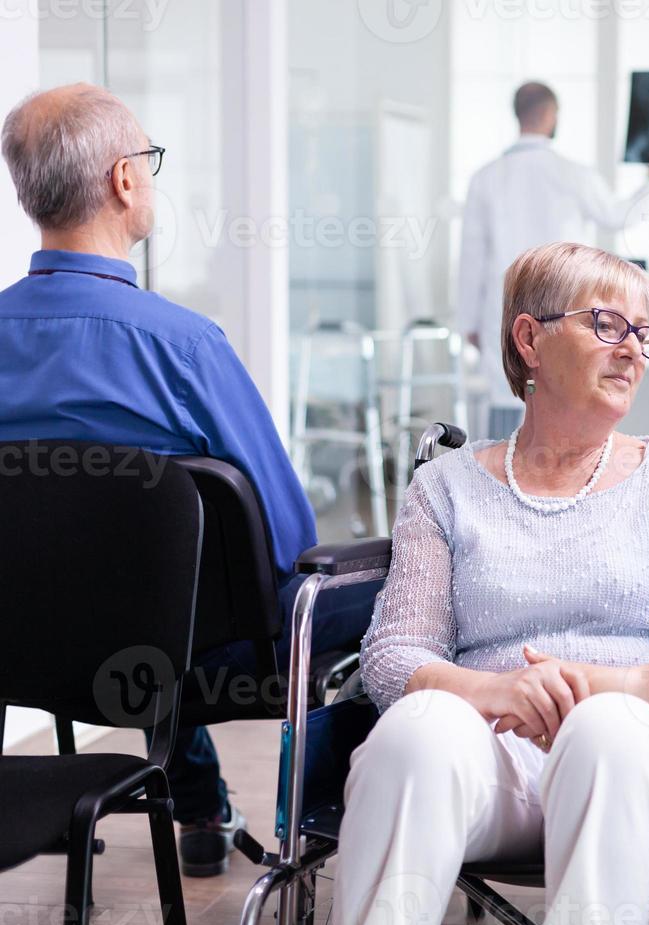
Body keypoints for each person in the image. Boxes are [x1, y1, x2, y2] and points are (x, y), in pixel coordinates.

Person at [333, 242, 649, 925]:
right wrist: (495, 691)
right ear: (529, 338)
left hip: (640, 760)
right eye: (607, 325)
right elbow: (393, 656)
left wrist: (601, 687)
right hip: (493, 758)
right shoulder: (446, 488)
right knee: (415, 731)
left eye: (643, 333)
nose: (633, 352)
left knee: (603, 729)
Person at [0, 84, 375, 877]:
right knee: (391, 585)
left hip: (26, 655)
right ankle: (374, 827)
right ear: (124, 181)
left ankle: (199, 799)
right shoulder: (185, 348)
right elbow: (288, 546)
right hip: (193, 662)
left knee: (137, 588)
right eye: (150, 162)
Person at [459, 81, 649, 436]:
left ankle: (501, 482)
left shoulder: (485, 179)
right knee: (564, 397)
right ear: (552, 115)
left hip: (502, 308)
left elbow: (471, 259)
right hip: (565, 308)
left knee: (507, 405)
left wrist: (468, 324)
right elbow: (620, 217)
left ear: (517, 114)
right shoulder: (573, 174)